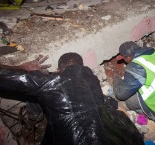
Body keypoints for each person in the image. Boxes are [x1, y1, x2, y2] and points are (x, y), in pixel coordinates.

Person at [0, 53, 144, 145]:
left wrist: (21, 68)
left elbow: (4, 78)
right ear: (81, 67)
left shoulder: (51, 82)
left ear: (58, 70)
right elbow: (107, 103)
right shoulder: (92, 80)